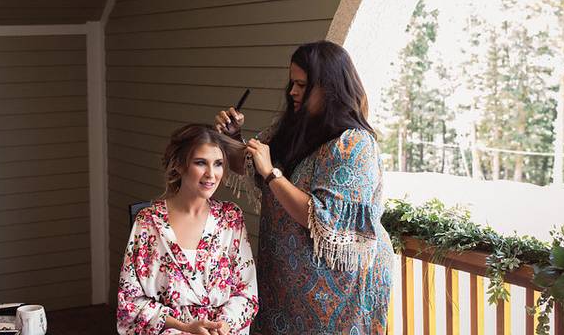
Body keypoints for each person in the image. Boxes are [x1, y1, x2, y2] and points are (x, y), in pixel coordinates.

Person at [215, 40, 393, 335]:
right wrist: (233, 137)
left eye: (302, 85)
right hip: (284, 280)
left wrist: (273, 174)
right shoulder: (290, 128)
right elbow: (248, 164)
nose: (293, 92)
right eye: (292, 83)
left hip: (338, 290)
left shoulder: (354, 144)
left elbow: (326, 220)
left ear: (330, 87)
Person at [117, 125, 259, 335]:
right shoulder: (148, 222)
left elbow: (246, 293)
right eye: (200, 163)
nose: (211, 174)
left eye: (218, 164)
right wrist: (183, 328)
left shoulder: (231, 219)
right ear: (180, 165)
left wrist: (223, 326)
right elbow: (130, 301)